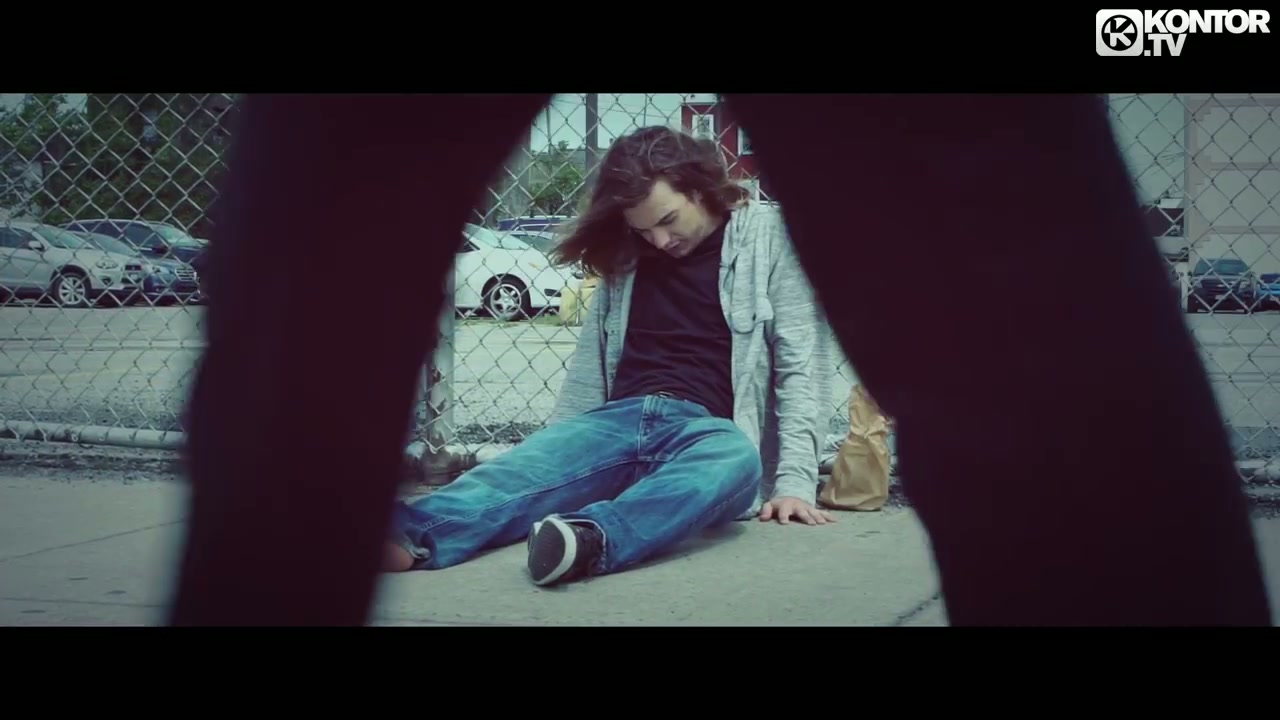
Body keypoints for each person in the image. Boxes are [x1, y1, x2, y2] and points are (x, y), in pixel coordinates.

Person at [381, 125, 836, 586]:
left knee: (737, 459)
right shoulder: (627, 254)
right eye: (643, 229)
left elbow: (800, 365)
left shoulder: (768, 237)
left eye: (668, 219)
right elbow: (588, 365)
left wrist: (795, 484)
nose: (659, 240)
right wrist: (559, 446)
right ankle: (405, 535)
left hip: (706, 429)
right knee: (515, 473)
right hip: (618, 419)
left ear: (699, 189)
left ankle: (588, 540)